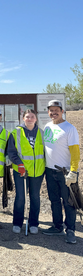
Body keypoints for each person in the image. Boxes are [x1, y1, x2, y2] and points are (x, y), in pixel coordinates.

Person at [42, 100, 80, 244]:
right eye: (51, 110)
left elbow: (75, 153)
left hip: (65, 173)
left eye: (56, 110)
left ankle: (70, 230)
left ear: (62, 111)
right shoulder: (47, 127)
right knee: (54, 201)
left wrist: (73, 172)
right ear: (48, 112)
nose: (54, 112)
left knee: (69, 203)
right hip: (50, 171)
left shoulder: (69, 128)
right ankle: (57, 226)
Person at [7, 109, 45, 234]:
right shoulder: (16, 132)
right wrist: (19, 164)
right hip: (21, 171)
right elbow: (11, 152)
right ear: (23, 118)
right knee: (20, 198)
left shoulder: (41, 133)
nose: (29, 119)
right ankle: (17, 223)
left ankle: (34, 223)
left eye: (32, 117)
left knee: (35, 197)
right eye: (27, 117)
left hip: (37, 172)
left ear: (36, 119)